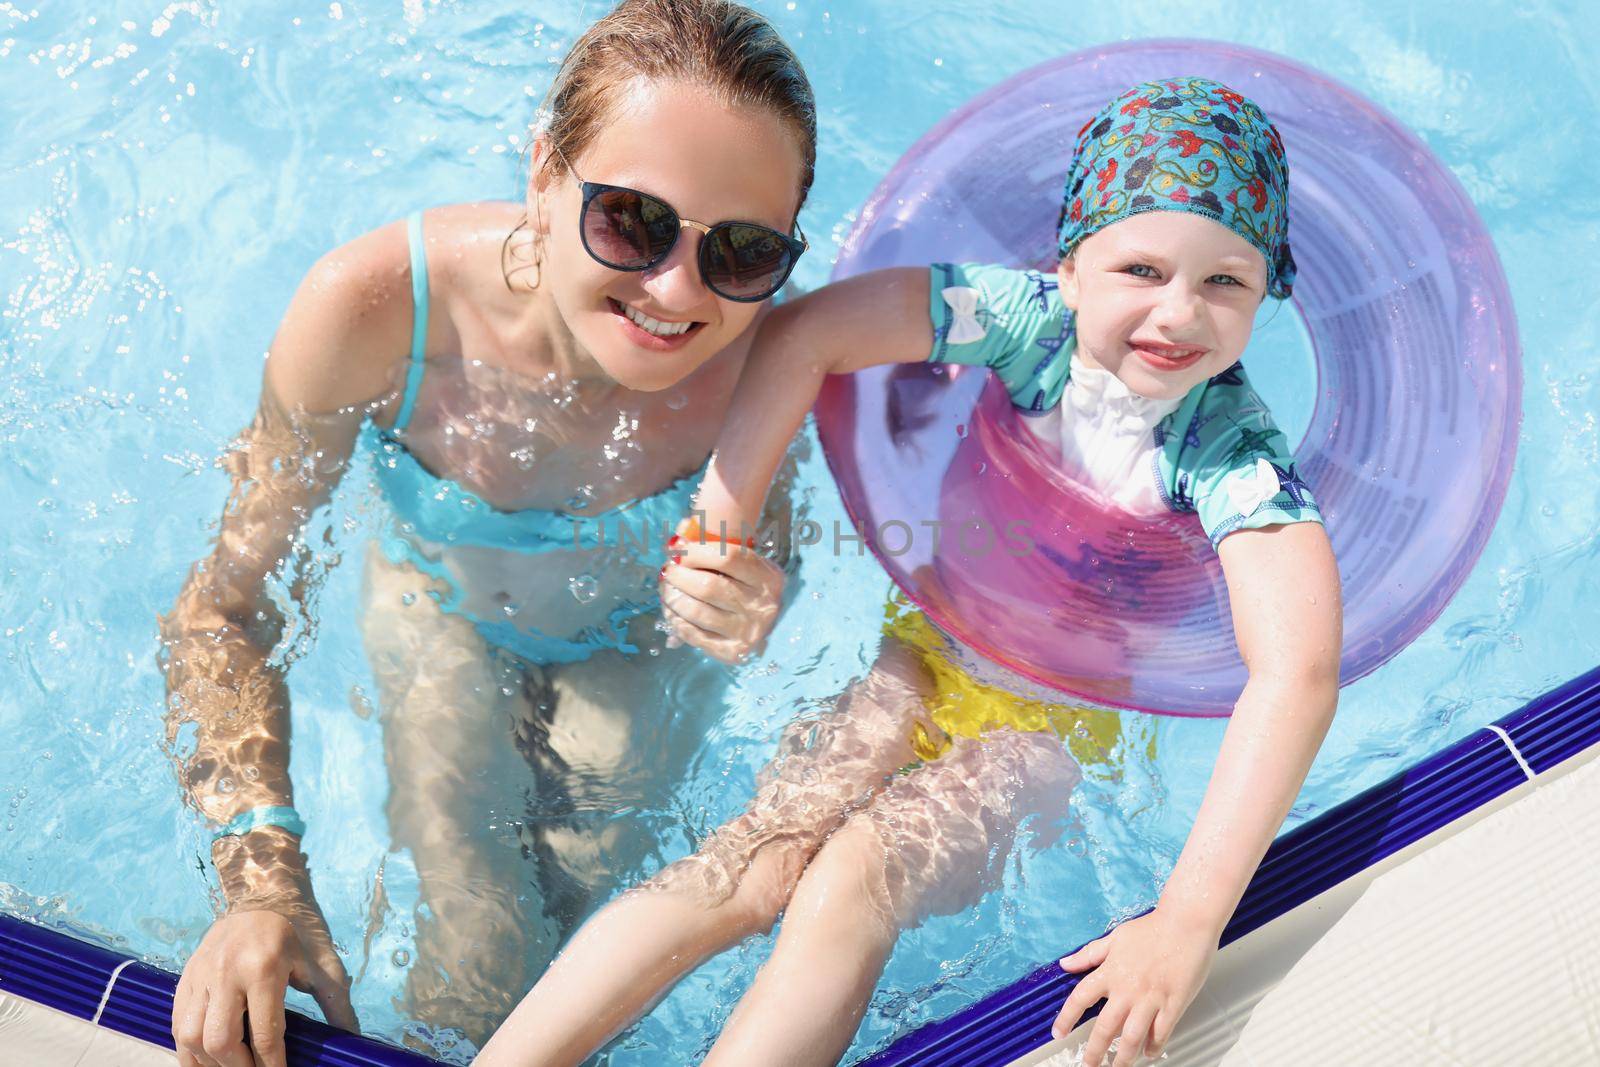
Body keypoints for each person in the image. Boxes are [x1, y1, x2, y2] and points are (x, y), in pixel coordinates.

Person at [479, 77, 1343, 1067]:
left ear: (1267, 291)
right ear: (1069, 268)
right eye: (1140, 267)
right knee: (755, 858)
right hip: (924, 649)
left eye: (1223, 281)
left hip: (1052, 721)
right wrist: (726, 513)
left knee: (856, 875)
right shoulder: (1024, 324)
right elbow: (812, 334)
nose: (1176, 312)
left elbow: (1297, 668)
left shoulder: (1228, 454)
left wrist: (1186, 919)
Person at [157, 1, 814, 1062]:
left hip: (635, 643)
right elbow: (219, 603)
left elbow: (779, 542)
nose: (676, 290)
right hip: (443, 608)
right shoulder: (378, 309)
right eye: (631, 220)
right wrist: (259, 874)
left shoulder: (776, 354)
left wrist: (754, 599)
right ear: (545, 172)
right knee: (479, 949)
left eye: (740, 250)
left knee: (592, 935)